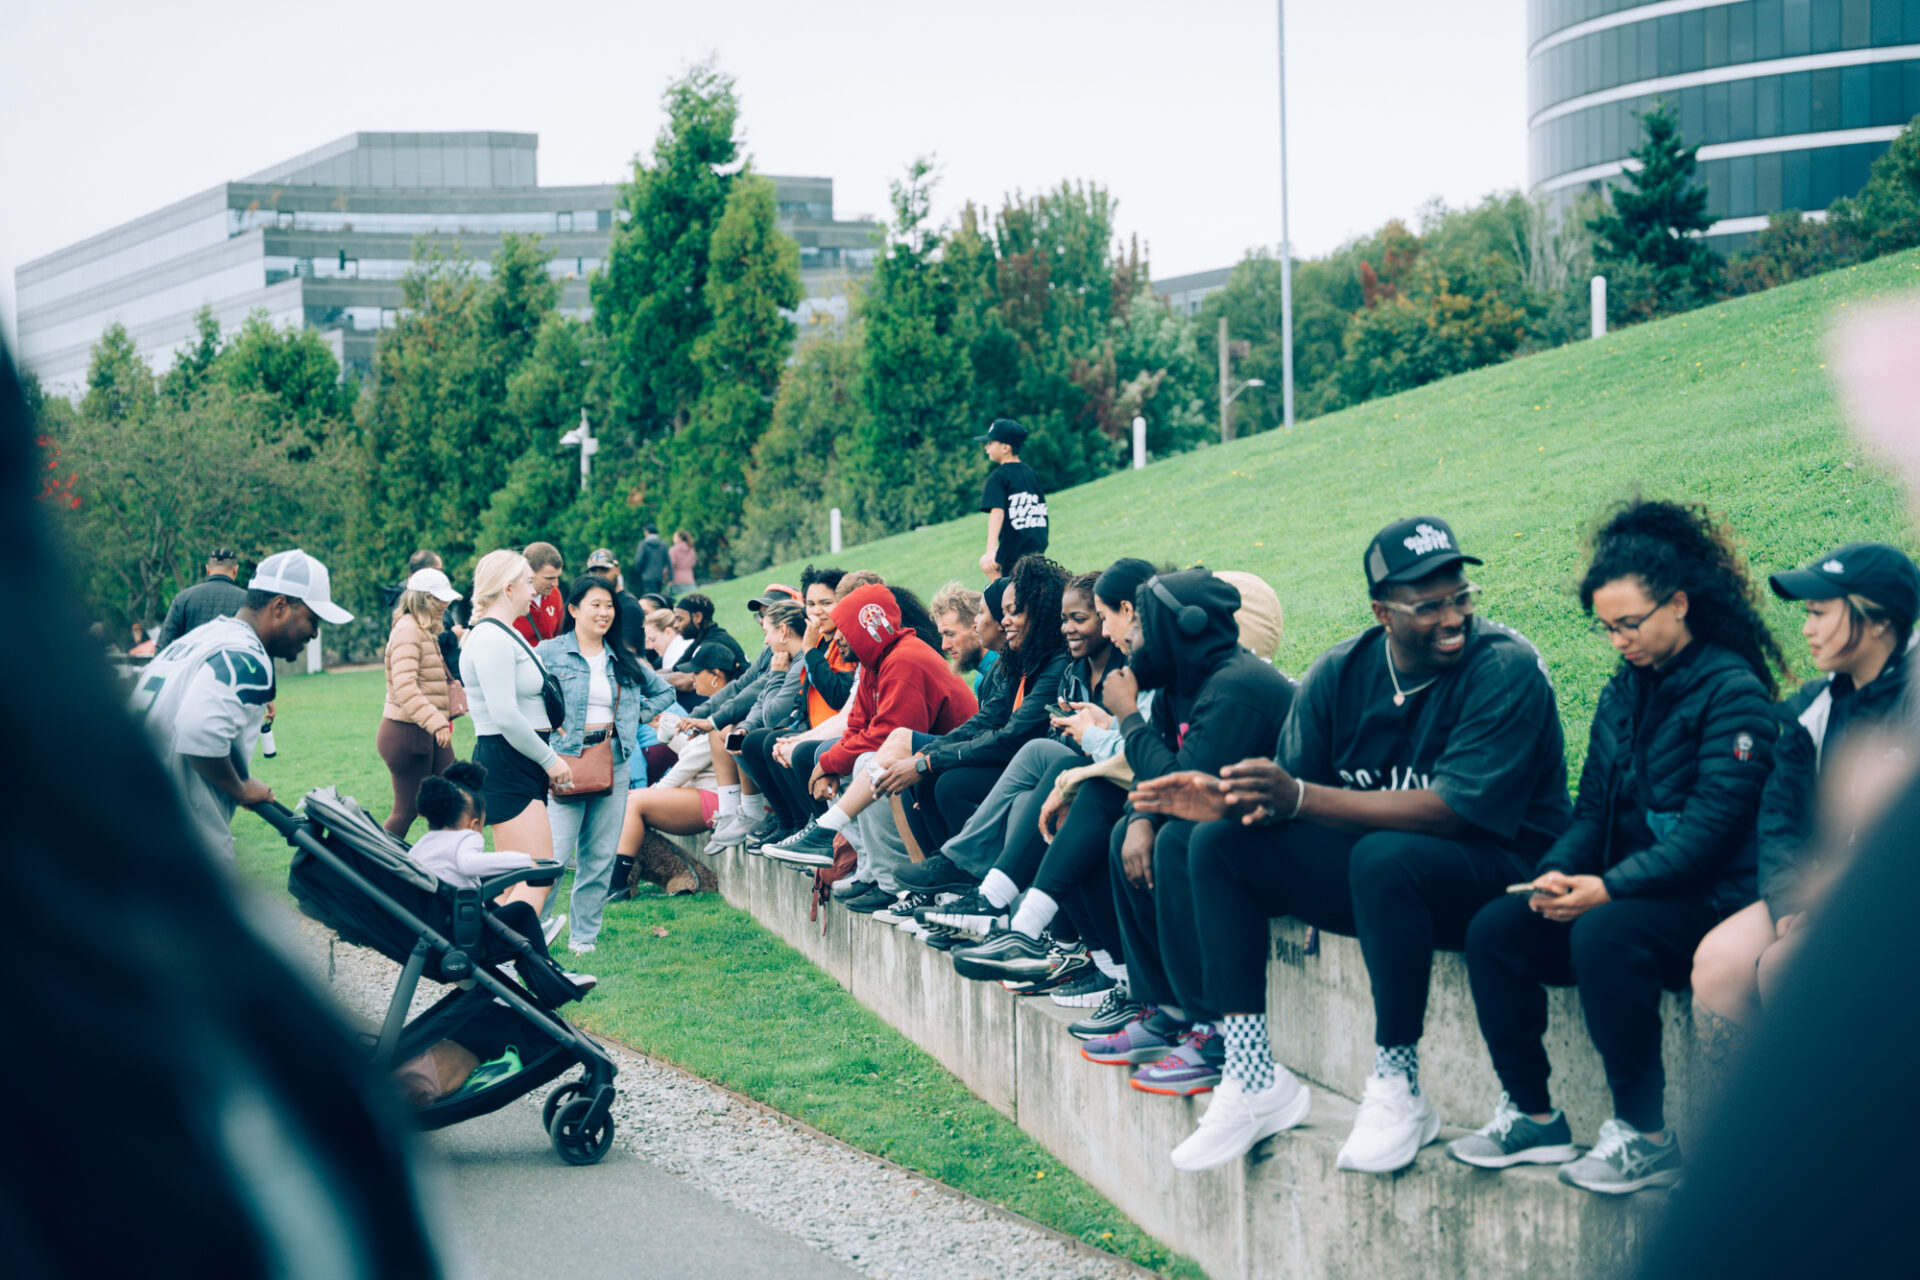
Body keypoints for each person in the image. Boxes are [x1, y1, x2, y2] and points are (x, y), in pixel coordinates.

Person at [1128, 517, 1570, 1175]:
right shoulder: (1342, 671)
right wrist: (1226, 803)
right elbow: (1295, 808)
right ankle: (1251, 1075)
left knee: (1384, 855)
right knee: (1218, 843)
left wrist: (1298, 799)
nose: (1453, 617)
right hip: (1385, 883)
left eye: (1461, 597)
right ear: (1382, 612)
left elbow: (1452, 812)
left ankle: (1398, 1085)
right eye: (1429, 606)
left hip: (1501, 873)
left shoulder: (1504, 668)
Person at [1451, 499, 1783, 1195]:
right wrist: (1557, 873)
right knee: (1496, 929)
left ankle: (1644, 1134)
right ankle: (1533, 1116)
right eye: (1607, 628)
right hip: (1628, 889)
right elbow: (1593, 812)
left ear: (1680, 605)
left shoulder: (1734, 694)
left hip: (1710, 898)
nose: (1618, 642)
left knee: (1606, 934)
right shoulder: (1623, 694)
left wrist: (1605, 889)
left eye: (1629, 625)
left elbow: (1708, 836)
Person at [1688, 544, 1919, 1073]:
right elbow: (1779, 823)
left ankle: (1846, 1145)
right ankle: (1764, 1140)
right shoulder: (1814, 711)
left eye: (1820, 612)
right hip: (1838, 897)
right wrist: (1791, 906)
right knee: (1719, 965)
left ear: (1879, 620)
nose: (1807, 628)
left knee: (1787, 967)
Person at [761, 584, 977, 910]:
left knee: (867, 764)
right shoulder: (876, 662)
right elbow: (857, 726)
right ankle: (872, 870)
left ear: (865, 629)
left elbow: (887, 737)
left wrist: (830, 763)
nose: (837, 639)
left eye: (845, 631)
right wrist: (829, 763)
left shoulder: (904, 659)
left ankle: (893, 883)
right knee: (838, 758)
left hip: (955, 761)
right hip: (924, 758)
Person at [131, 548, 353, 862]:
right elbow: (198, 733)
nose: (315, 633)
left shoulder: (200, 639)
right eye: (312, 619)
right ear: (280, 606)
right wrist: (240, 787)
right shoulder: (248, 655)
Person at [537, 575, 673, 953]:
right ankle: (535, 931)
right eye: (595, 604)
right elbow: (526, 697)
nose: (604, 612)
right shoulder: (549, 653)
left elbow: (665, 691)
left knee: (598, 857)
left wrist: (632, 719)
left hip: (613, 761)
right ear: (574, 609)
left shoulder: (623, 658)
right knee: (556, 855)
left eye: (609, 605)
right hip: (564, 761)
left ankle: (584, 938)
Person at [460, 550, 572, 916]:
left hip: (519, 759)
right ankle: (503, 954)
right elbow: (505, 715)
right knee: (535, 874)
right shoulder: (491, 638)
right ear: (508, 589)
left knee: (521, 877)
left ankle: (492, 952)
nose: (534, 591)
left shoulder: (502, 634)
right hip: (509, 759)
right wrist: (550, 761)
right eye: (527, 582)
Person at [409, 763, 589, 987]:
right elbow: (468, 864)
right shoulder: (466, 837)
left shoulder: (421, 846)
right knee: (521, 911)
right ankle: (546, 973)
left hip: (431, 930)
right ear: (474, 823)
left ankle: (533, 960)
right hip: (460, 935)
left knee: (492, 907)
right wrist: (523, 861)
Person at [612, 641, 744, 873]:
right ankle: (623, 877)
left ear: (716, 675)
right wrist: (663, 730)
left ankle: (620, 880)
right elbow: (693, 753)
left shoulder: (725, 712)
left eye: (696, 672)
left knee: (634, 802)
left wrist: (654, 791)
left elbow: (689, 764)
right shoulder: (716, 707)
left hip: (716, 798)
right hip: (704, 792)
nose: (691, 678)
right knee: (630, 799)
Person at [708, 601, 813, 848]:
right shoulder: (785, 658)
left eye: (768, 632)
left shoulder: (798, 661)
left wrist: (776, 675)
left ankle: (795, 823)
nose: (765, 641)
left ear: (784, 631)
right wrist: (745, 726)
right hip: (791, 728)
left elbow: (773, 714)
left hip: (804, 732)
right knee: (746, 738)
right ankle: (785, 822)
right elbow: (761, 703)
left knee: (763, 740)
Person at [377, 567, 462, 837]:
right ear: (422, 598)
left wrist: (439, 722)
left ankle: (444, 863)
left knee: (452, 797)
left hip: (424, 730)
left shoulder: (423, 629)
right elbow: (405, 687)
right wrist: (437, 723)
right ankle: (371, 867)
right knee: (406, 811)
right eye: (439, 599)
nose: (445, 605)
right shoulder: (408, 631)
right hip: (407, 733)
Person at [976, 418, 1049, 579]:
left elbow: (997, 512)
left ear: (1005, 447)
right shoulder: (1031, 473)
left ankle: (998, 601)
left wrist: (990, 551)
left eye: (990, 443)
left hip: (1013, 551)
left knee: (998, 578)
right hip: (1037, 549)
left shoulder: (998, 477)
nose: (986, 447)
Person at [663, 592, 745, 710]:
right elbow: (675, 669)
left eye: (680, 619)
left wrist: (649, 680)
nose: (675, 625)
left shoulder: (713, 643)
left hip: (736, 702)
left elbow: (687, 681)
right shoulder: (700, 638)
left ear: (697, 617)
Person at [155, 547, 249, 649]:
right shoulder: (248, 601)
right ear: (236, 570)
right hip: (231, 664)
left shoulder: (183, 598)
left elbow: (163, 643)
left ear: (207, 570)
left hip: (191, 664)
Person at [929, 580, 999, 690]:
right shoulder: (981, 680)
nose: (945, 646)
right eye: (943, 636)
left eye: (950, 634)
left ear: (978, 630)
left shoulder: (1005, 675)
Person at [582, 548, 648, 655]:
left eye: (604, 570)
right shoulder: (592, 605)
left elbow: (629, 653)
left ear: (617, 570)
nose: (598, 576)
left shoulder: (628, 606)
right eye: (593, 571)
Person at [512, 541, 566, 645]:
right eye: (549, 578)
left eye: (557, 577)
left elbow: (559, 636)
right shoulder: (509, 599)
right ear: (529, 572)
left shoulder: (555, 594)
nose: (556, 584)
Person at [633, 524, 671, 598]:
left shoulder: (643, 544)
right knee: (658, 597)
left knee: (650, 598)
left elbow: (638, 560)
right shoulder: (663, 545)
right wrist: (670, 578)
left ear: (647, 532)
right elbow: (668, 562)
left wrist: (641, 571)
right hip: (659, 576)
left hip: (647, 577)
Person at [668, 529, 697, 599]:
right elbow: (693, 563)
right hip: (690, 579)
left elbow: (670, 565)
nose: (673, 539)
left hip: (677, 580)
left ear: (679, 538)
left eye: (674, 537)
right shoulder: (691, 549)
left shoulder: (673, 550)